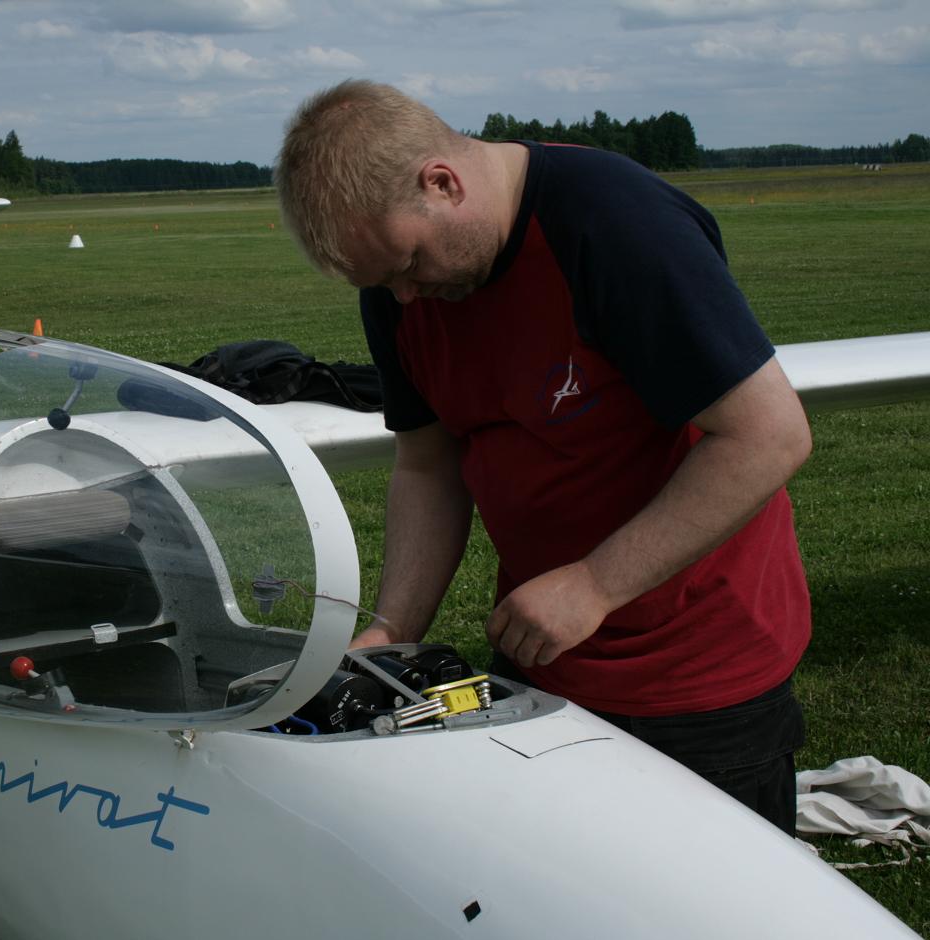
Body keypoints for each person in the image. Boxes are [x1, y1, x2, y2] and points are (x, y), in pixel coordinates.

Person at [274, 79, 812, 833]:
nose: (402, 299)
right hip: (543, 656)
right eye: (381, 282)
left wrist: (595, 584)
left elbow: (768, 434)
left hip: (697, 673)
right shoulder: (404, 287)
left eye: (406, 265)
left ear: (443, 182)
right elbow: (429, 464)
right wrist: (394, 630)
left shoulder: (614, 223)